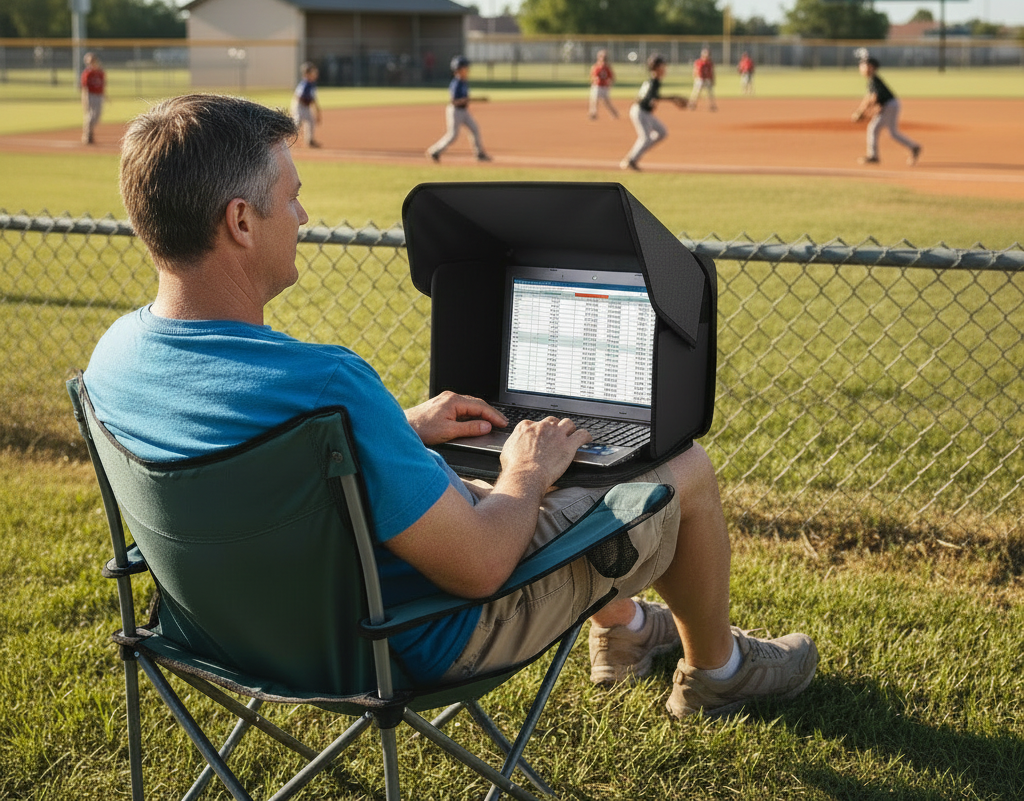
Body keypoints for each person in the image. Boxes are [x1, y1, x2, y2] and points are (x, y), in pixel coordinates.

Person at [84, 93, 817, 718]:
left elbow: (255, 459)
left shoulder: (112, 360)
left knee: (499, 472)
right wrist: (525, 473)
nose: (302, 214)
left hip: (227, 632)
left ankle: (624, 628)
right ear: (241, 223)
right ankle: (718, 674)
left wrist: (396, 429)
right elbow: (478, 567)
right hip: (410, 637)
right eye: (291, 196)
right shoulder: (327, 383)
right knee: (679, 466)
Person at [851, 50, 921, 166]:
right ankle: (913, 147)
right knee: (892, 132)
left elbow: (873, 98)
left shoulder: (874, 81)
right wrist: (865, 110)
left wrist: (862, 112)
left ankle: (873, 156)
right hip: (890, 105)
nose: (862, 68)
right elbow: (871, 98)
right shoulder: (873, 81)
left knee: (873, 128)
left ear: (872, 68)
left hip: (890, 105)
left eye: (864, 66)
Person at [620, 54, 687, 172]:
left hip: (644, 112)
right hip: (640, 112)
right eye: (662, 66)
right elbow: (652, 97)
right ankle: (631, 161)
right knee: (646, 138)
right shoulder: (654, 82)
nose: (664, 69)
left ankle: (633, 158)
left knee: (662, 132)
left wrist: (673, 99)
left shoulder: (653, 81)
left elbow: (649, 97)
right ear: (656, 68)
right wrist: (674, 99)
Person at [427, 56, 491, 162]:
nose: (467, 70)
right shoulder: (456, 84)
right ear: (458, 69)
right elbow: (454, 101)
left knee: (475, 129)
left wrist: (468, 100)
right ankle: (435, 151)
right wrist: (473, 99)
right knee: (452, 136)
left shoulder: (464, 81)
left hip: (463, 111)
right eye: (465, 67)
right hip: (455, 112)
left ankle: (479, 154)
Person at [289, 62, 323, 148]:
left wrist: (317, 109)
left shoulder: (312, 84)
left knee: (311, 121)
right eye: (313, 72)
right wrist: (296, 110)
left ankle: (310, 140)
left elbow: (313, 98)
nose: (315, 74)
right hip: (299, 106)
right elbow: (299, 96)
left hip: (305, 106)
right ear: (307, 74)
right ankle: (285, 139)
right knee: (297, 124)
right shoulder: (305, 84)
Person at [80, 52, 105, 145]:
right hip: (91, 95)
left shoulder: (100, 72)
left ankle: (90, 132)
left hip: (99, 95)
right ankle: (87, 135)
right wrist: (85, 98)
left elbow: (103, 85)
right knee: (90, 115)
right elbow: (84, 87)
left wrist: (104, 96)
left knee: (97, 115)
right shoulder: (87, 73)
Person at [588, 49, 619, 120]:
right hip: (597, 86)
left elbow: (611, 77)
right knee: (594, 100)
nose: (604, 59)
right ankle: (593, 113)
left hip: (604, 86)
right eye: (602, 57)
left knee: (606, 101)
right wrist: (593, 81)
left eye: (605, 57)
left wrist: (610, 84)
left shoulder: (607, 68)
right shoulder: (596, 66)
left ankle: (614, 113)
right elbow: (592, 76)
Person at [688, 47, 718, 111]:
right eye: (706, 54)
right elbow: (696, 71)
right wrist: (696, 78)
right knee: (696, 93)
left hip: (707, 79)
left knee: (710, 94)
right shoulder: (698, 62)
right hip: (700, 79)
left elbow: (712, 72)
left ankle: (712, 106)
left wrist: (713, 80)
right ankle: (692, 104)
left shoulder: (710, 63)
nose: (708, 56)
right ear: (702, 55)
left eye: (708, 55)